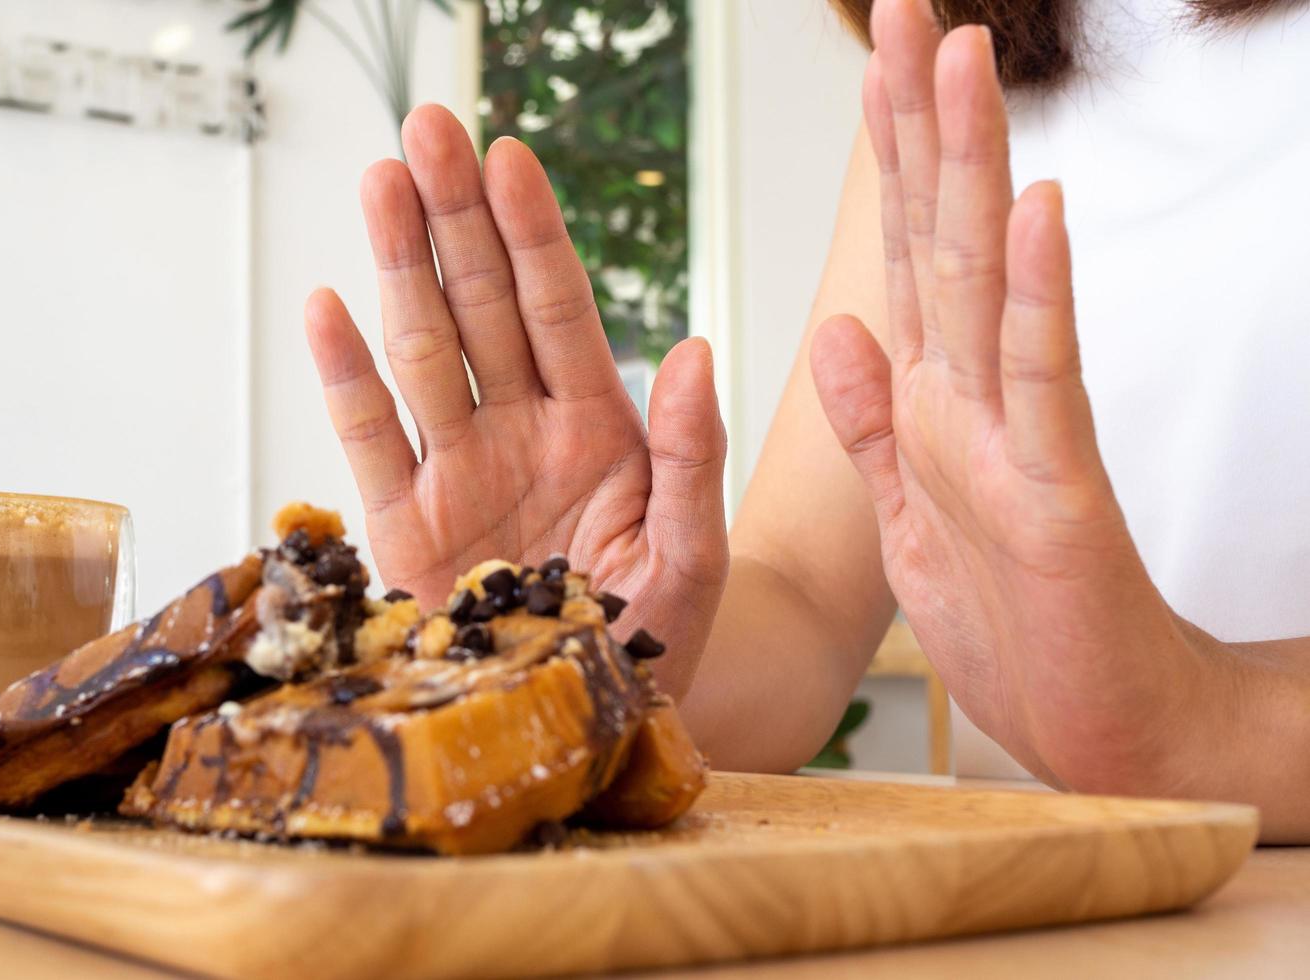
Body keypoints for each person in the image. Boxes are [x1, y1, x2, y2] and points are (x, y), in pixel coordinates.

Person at [302, 0, 1310, 841]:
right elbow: (805, 599)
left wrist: (1207, 719)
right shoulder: (962, 47)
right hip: (1064, 927)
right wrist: (599, 652)